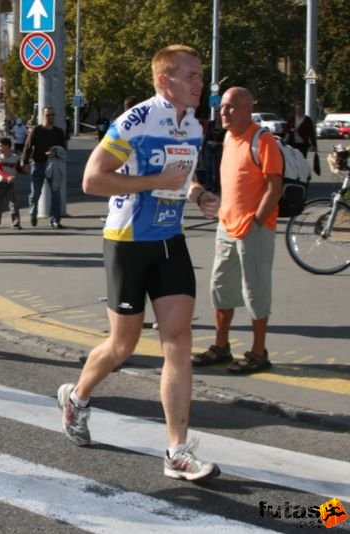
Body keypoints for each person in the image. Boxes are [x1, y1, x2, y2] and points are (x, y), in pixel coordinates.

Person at [57, 45, 221, 482]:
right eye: (190, 75)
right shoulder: (136, 120)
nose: (198, 82)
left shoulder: (194, 126)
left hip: (170, 239)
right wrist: (154, 181)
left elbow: (180, 180)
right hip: (127, 241)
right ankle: (77, 396)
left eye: (200, 75)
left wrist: (198, 194)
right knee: (122, 346)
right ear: (165, 80)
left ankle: (176, 452)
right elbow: (93, 179)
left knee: (178, 341)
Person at [190, 87, 282, 375]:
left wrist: (257, 221)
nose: (224, 112)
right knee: (220, 287)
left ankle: (258, 351)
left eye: (231, 107)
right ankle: (221, 346)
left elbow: (274, 186)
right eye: (222, 107)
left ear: (247, 109)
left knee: (255, 290)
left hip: (253, 228)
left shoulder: (262, 140)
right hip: (226, 225)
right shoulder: (229, 137)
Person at [22, 106, 67, 228]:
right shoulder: (36, 130)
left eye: (53, 115)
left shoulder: (58, 132)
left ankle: (55, 220)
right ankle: (33, 213)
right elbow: (28, 147)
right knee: (35, 193)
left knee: (56, 194)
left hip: (54, 165)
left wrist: (56, 153)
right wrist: (24, 162)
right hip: (38, 165)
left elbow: (64, 149)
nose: (51, 117)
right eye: (48, 115)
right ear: (43, 116)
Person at [0, 137, 22, 230]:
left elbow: (18, 169)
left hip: (9, 184)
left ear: (7, 146)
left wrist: (24, 170)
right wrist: (7, 176)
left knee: (13, 204)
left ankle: (16, 223)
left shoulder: (16, 158)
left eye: (0, 146)